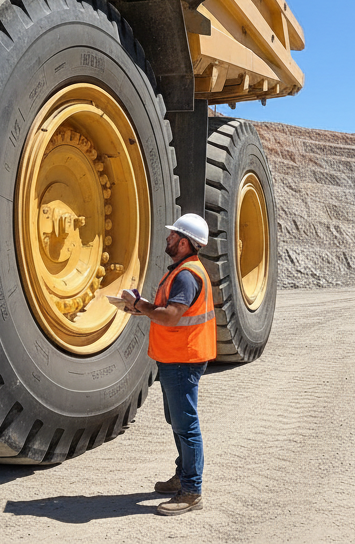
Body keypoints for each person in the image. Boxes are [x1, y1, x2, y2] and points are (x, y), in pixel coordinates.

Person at [126, 212, 215, 516]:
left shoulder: (187, 275)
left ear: (185, 241)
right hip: (175, 358)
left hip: (182, 360)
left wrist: (141, 306)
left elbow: (171, 315)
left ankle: (191, 491)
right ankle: (183, 475)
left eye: (173, 234)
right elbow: (165, 312)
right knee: (178, 423)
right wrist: (141, 309)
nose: (168, 237)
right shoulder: (181, 271)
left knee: (186, 426)